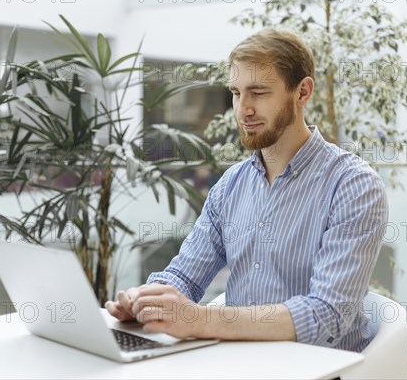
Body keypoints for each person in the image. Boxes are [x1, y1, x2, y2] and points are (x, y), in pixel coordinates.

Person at [105, 29, 389, 352]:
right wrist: (144, 302)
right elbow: (185, 276)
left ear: (302, 92)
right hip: (239, 364)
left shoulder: (353, 186)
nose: (243, 110)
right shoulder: (230, 186)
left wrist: (199, 320)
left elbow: (326, 316)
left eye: (258, 93)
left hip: (319, 368)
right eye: (237, 93)